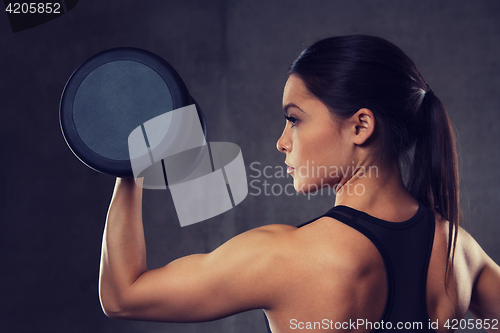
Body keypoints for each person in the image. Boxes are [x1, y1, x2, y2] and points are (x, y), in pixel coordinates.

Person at [98, 35, 500, 332]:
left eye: (294, 119)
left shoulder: (286, 258)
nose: (282, 140)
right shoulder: (457, 249)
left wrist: (132, 163)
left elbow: (123, 295)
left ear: (361, 125)